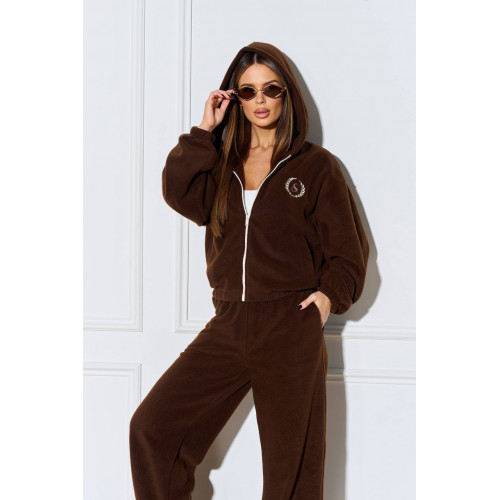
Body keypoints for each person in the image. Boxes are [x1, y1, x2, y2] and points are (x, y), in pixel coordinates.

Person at [129, 41, 369, 500]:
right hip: (229, 322)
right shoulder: (222, 164)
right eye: (248, 91)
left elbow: (348, 253)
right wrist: (204, 131)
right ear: (235, 98)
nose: (260, 100)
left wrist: (326, 300)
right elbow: (177, 191)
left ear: (286, 95)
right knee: (153, 430)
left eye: (271, 89)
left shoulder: (316, 167)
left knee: (289, 475)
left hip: (289, 325)